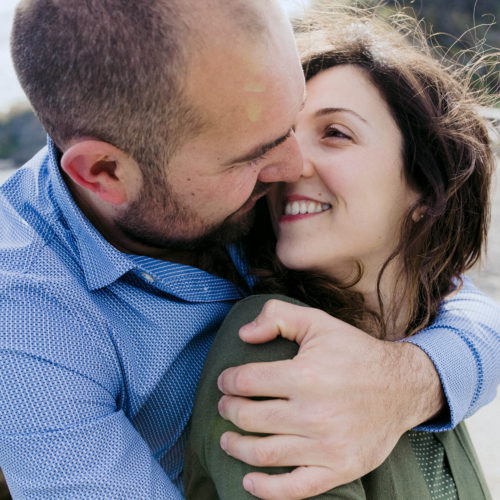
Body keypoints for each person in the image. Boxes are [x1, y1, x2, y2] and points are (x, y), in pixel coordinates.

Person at [0, 0, 498, 498]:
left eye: (291, 122)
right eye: (256, 152)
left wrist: (408, 383)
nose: (293, 166)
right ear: (105, 173)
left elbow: (455, 298)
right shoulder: (26, 333)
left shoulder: (238, 167)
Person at [184, 6, 499, 500]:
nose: (288, 166)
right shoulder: (273, 345)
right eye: (281, 139)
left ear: (425, 187)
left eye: (335, 133)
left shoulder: (425, 341)